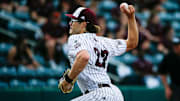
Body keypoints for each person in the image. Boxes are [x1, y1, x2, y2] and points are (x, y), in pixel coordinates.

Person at [59, 4, 138, 101]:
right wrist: (131, 18)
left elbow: (84, 56)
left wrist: (68, 80)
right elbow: (132, 43)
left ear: (84, 24)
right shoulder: (103, 41)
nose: (70, 23)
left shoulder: (75, 38)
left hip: (98, 93)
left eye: (73, 21)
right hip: (115, 94)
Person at [158, 37, 180, 101]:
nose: (175, 47)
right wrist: (167, 88)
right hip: (176, 86)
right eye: (174, 45)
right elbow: (162, 72)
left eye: (177, 45)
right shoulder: (169, 56)